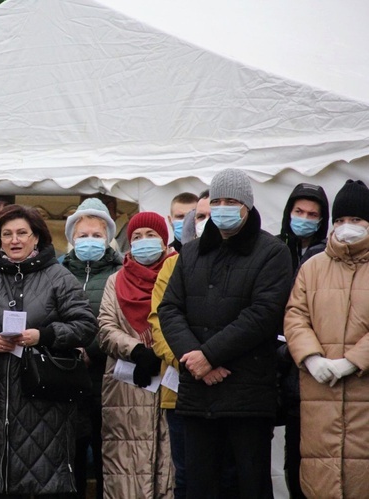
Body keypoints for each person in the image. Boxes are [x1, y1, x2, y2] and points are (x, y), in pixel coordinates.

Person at [158, 168, 292, 498]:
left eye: (230, 201)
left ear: (247, 205)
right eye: (216, 201)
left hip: (248, 392)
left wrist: (209, 355)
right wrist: (195, 358)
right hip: (197, 392)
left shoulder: (272, 252)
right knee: (199, 485)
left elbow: (263, 315)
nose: (222, 208)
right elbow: (169, 309)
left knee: (250, 483)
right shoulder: (190, 253)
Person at [0, 204, 97, 497]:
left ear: (36, 237)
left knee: (43, 481)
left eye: (22, 233)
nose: (15, 240)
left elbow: (86, 325)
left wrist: (44, 334)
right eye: (7, 234)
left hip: (46, 398)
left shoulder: (59, 276)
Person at [284, 179, 369, 498]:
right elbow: (295, 314)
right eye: (341, 220)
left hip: (363, 392)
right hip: (320, 396)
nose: (348, 227)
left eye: (357, 220)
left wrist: (352, 362)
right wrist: (311, 357)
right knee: (320, 477)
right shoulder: (313, 267)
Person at [98, 211, 174, 498]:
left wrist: (162, 352)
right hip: (125, 390)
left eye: (151, 235)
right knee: (125, 466)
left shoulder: (176, 275)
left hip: (170, 380)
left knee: (169, 464)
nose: (143, 242)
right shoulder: (115, 280)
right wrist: (138, 351)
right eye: (137, 237)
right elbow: (105, 327)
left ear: (164, 241)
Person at [149, 190, 211, 499]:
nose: (207, 223)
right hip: (181, 389)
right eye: (200, 217)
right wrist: (190, 362)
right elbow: (160, 322)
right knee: (186, 475)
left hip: (232, 388)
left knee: (230, 476)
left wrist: (212, 359)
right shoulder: (173, 266)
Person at [62, 198, 122, 499]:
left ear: (108, 237)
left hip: (108, 377)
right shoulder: (58, 272)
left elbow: (120, 322)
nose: (89, 241)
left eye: (96, 235)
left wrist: (93, 349)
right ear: (72, 238)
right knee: (70, 453)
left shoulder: (120, 272)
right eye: (83, 235)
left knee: (106, 452)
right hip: (67, 376)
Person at [275, 182, 329, 499]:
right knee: (290, 461)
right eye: (299, 212)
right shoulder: (276, 250)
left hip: (309, 369)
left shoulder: (325, 257)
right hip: (277, 371)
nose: (304, 219)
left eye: (312, 214)